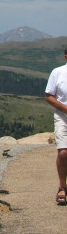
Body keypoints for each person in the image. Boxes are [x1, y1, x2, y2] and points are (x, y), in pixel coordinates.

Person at [44, 47, 67, 206]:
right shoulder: (57, 72)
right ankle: (62, 186)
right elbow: (49, 96)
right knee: (64, 151)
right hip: (62, 116)